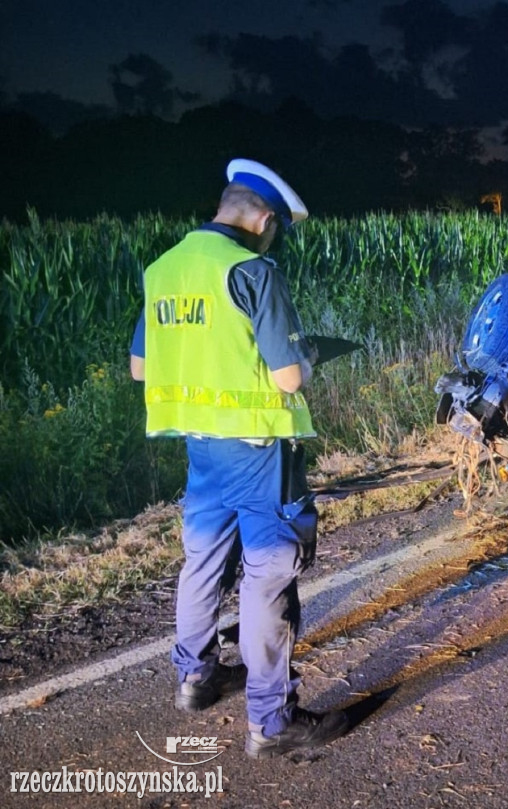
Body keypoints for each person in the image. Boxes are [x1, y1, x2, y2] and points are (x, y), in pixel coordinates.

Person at [129, 158, 349, 759]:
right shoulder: (251, 268)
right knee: (268, 576)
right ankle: (272, 723)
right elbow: (286, 378)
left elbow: (140, 367)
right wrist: (308, 360)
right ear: (264, 219)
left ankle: (196, 679)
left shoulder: (164, 269)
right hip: (257, 451)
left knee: (200, 562)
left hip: (201, 448)